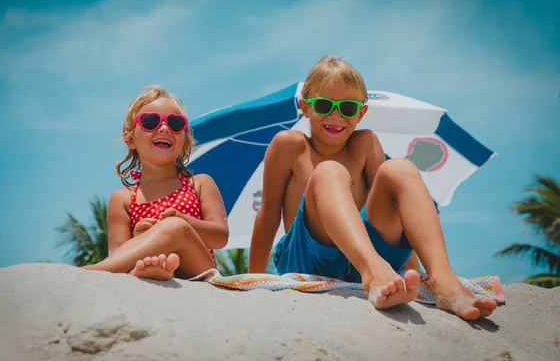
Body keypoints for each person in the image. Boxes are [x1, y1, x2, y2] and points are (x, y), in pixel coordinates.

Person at [248, 55, 497, 320]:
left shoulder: (365, 144)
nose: (335, 115)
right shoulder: (291, 145)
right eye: (323, 105)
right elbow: (269, 212)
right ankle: (373, 270)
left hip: (367, 258)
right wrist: (253, 280)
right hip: (307, 258)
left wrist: (413, 271)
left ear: (361, 113)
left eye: (347, 108)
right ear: (305, 107)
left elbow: (396, 209)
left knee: (400, 168)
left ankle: (444, 282)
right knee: (329, 171)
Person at [84, 86, 229, 280]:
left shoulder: (199, 184)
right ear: (130, 140)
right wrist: (141, 238)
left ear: (184, 141)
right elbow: (117, 255)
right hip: (150, 264)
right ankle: (154, 269)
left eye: (175, 123)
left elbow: (220, 237)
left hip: (201, 272)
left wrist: (183, 220)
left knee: (176, 228)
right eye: (150, 122)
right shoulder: (123, 199)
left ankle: (92, 272)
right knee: (150, 253)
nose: (164, 128)